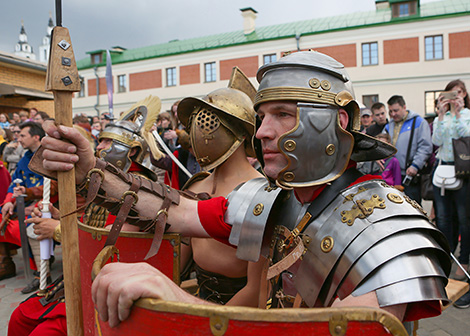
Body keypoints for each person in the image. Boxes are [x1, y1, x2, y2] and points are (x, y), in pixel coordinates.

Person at [40, 51, 450, 328]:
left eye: (283, 115)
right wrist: (89, 169)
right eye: (262, 116)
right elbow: (175, 210)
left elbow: (335, 332)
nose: (264, 132)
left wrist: (180, 303)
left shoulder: (389, 228)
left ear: (337, 122)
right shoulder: (273, 200)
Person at [175, 77, 264, 305]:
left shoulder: (261, 193)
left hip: (237, 315)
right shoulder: (196, 185)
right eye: (196, 121)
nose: (199, 130)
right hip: (197, 302)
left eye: (208, 121)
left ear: (242, 132)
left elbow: (256, 291)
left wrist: (206, 323)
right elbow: (177, 263)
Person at [432, 80, 470, 285]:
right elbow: (436, 141)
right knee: (444, 218)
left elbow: (466, 135)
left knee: (464, 219)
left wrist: (457, 114)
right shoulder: (442, 117)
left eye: (458, 94)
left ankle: (464, 262)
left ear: (464, 95)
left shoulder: (467, 115)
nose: (454, 98)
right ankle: (446, 257)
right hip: (442, 170)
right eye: (451, 94)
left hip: (463, 171)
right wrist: (441, 114)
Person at [0, 122, 45, 281]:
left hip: (45, 206)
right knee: (1, 216)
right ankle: (5, 262)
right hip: (24, 204)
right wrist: (8, 202)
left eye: (23, 135)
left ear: (36, 137)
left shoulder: (47, 157)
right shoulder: (24, 159)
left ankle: (41, 270)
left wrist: (37, 205)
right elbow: (15, 183)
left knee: (29, 227)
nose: (18, 139)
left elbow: (55, 188)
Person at [384, 95, 432, 204]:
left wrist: (415, 165)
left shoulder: (419, 122)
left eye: (396, 110)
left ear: (404, 107)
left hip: (409, 174)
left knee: (412, 208)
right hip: (392, 175)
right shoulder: (389, 125)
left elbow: (426, 146)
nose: (393, 114)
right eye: (390, 111)